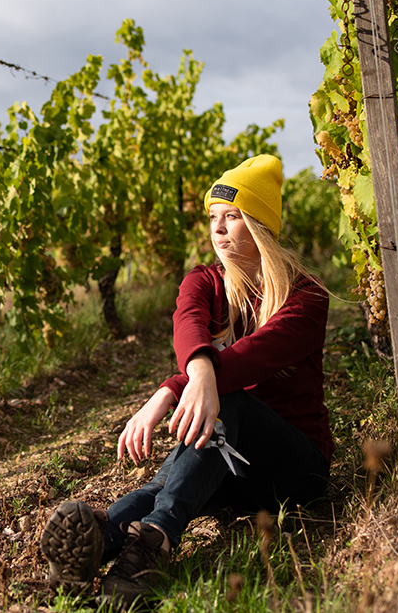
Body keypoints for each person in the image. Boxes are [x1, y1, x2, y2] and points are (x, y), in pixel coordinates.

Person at [40, 154, 334, 606]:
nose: (217, 229)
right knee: (168, 482)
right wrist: (185, 379)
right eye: (213, 217)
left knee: (225, 403)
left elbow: (251, 359)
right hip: (229, 461)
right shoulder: (205, 281)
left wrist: (175, 389)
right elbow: (188, 324)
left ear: (259, 225)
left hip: (294, 469)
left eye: (231, 217)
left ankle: (152, 544)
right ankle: (100, 539)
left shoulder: (306, 296)